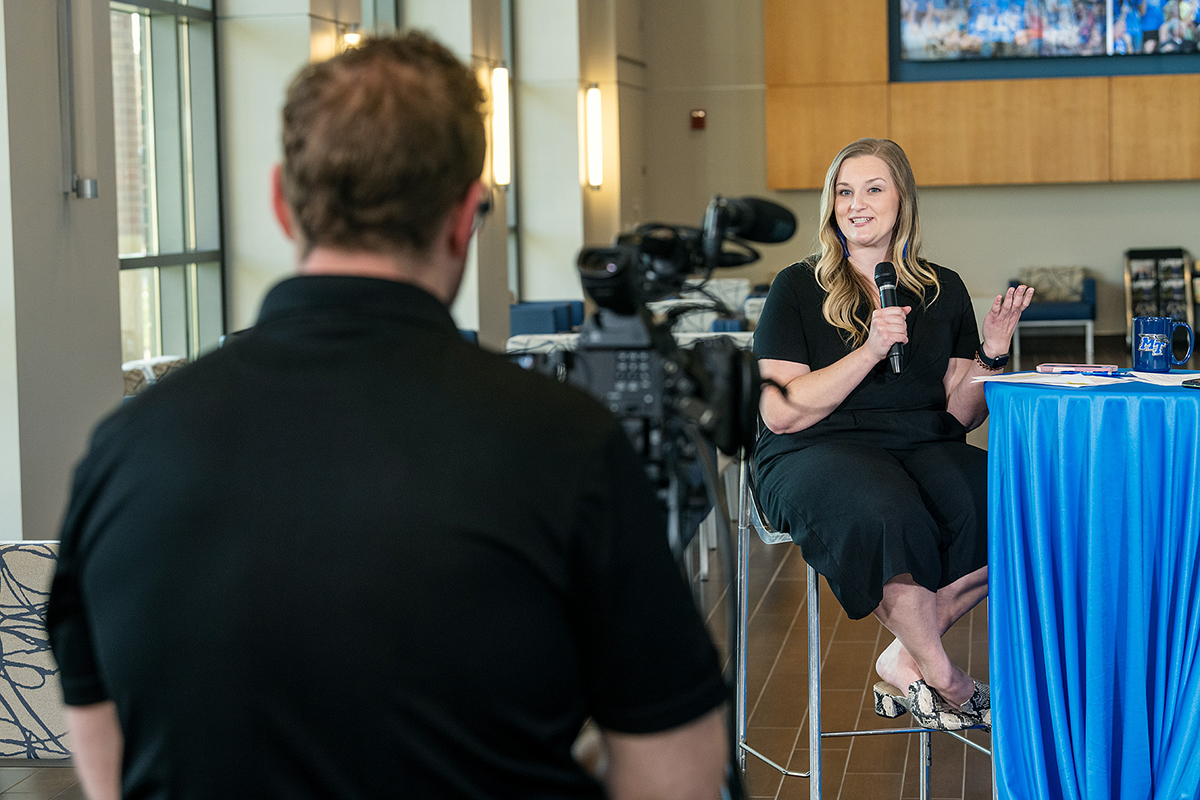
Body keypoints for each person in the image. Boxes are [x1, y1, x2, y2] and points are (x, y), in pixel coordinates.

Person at [46, 33, 728, 800]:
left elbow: (110, 767)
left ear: (281, 202)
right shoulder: (564, 443)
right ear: (466, 216)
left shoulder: (122, 450)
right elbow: (678, 774)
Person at [752, 138, 1032, 732]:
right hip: (814, 447)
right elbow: (780, 412)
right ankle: (948, 680)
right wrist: (871, 348)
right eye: (843, 192)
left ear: (902, 199)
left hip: (921, 442)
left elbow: (959, 414)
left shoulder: (942, 288)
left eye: (873, 189)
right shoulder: (797, 288)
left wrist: (990, 352)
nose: (856, 204)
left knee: (1022, 507)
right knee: (886, 513)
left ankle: (903, 659)